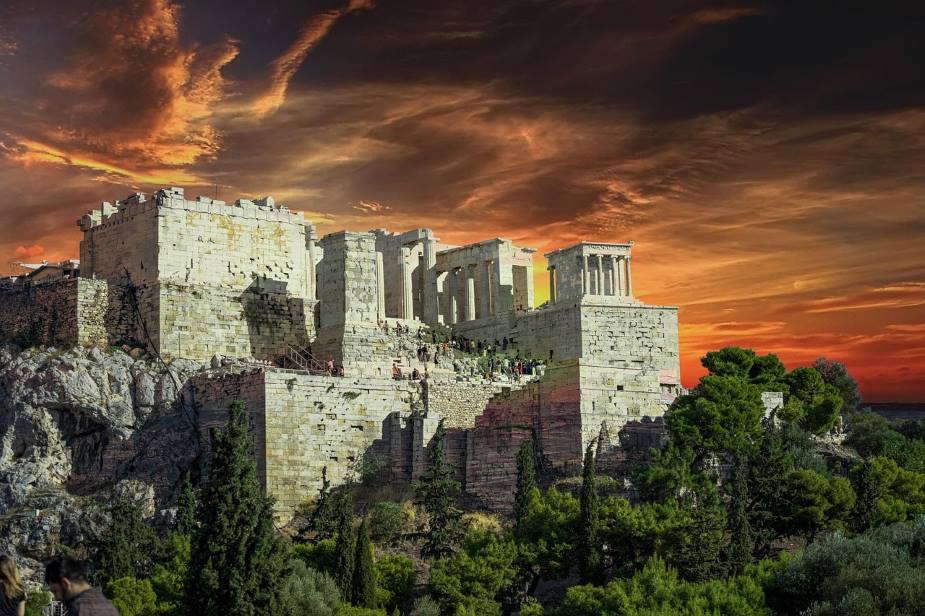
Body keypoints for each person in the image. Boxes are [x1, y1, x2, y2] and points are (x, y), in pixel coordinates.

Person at [44, 556, 118, 615]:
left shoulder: (79, 610)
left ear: (65, 583)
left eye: (55, 591)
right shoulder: (107, 605)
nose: (56, 598)